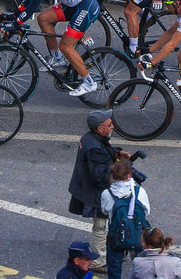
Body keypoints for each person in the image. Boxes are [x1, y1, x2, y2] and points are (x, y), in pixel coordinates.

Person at [70, 109, 120, 266]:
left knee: (103, 225)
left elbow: (105, 151)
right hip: (95, 194)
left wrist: (117, 153)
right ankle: (98, 261)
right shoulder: (94, 149)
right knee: (100, 227)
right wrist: (118, 171)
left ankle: (105, 253)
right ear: (100, 128)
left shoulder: (89, 137)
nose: (112, 126)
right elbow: (101, 177)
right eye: (109, 125)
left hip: (86, 187)